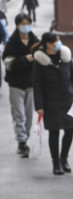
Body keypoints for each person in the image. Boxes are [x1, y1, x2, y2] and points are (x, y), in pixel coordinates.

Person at [32, 32, 73, 175]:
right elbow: (37, 84)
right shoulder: (40, 60)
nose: (58, 43)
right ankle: (56, 163)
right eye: (55, 41)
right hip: (50, 101)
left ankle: (64, 158)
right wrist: (39, 106)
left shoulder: (65, 56)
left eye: (59, 40)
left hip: (67, 100)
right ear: (48, 43)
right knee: (54, 132)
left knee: (70, 130)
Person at [2, 13, 37, 158]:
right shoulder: (12, 43)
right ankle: (22, 142)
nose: (25, 26)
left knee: (28, 116)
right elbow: (9, 63)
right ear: (17, 26)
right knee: (19, 115)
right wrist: (26, 59)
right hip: (16, 85)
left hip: (31, 84)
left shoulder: (35, 42)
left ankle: (25, 138)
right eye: (23, 24)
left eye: (27, 23)